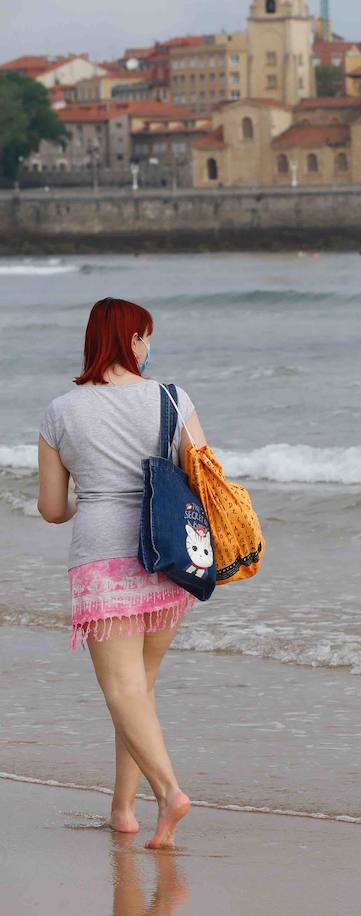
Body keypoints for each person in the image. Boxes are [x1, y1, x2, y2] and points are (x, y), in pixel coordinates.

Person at [37, 298, 204, 848]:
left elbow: (52, 509)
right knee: (140, 691)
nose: (148, 347)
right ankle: (123, 809)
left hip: (101, 554)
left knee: (122, 690)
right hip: (166, 555)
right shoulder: (172, 398)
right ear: (131, 338)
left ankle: (169, 792)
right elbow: (204, 475)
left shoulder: (61, 411)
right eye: (145, 336)